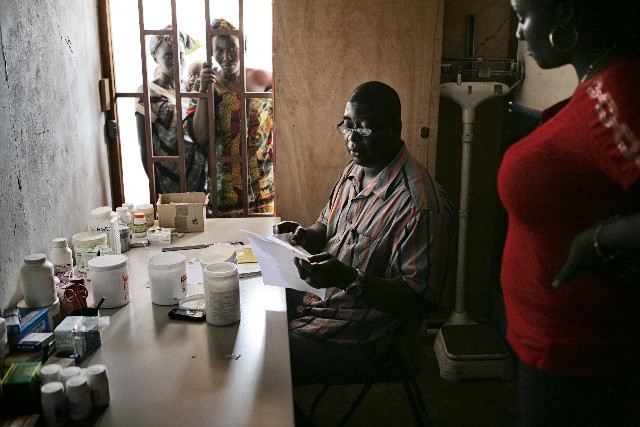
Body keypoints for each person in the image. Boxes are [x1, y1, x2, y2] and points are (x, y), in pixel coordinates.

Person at [498, 0, 640, 425]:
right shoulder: (598, 86)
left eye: (522, 16)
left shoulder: (618, 89)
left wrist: (596, 242)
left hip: (580, 356)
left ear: (562, 13)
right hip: (556, 349)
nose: (520, 32)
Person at [273, 82, 453, 401]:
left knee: (257, 365)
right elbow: (327, 223)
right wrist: (305, 235)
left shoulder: (419, 207)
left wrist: (346, 279)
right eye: (348, 124)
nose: (352, 138)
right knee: (243, 316)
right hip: (317, 301)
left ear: (395, 129)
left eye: (365, 128)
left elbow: (418, 301)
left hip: (358, 339)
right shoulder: (358, 169)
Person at [187, 18, 274, 216]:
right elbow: (200, 137)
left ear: (243, 46)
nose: (226, 57)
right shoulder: (208, 85)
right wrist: (203, 92)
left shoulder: (262, 79)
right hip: (225, 191)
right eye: (219, 50)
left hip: (264, 188)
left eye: (232, 49)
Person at [135, 26, 208, 195]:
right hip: (166, 180)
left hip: (199, 178)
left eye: (180, 55)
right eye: (168, 55)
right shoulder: (147, 92)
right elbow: (145, 147)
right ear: (155, 57)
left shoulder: (190, 87)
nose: (176, 60)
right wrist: (156, 185)